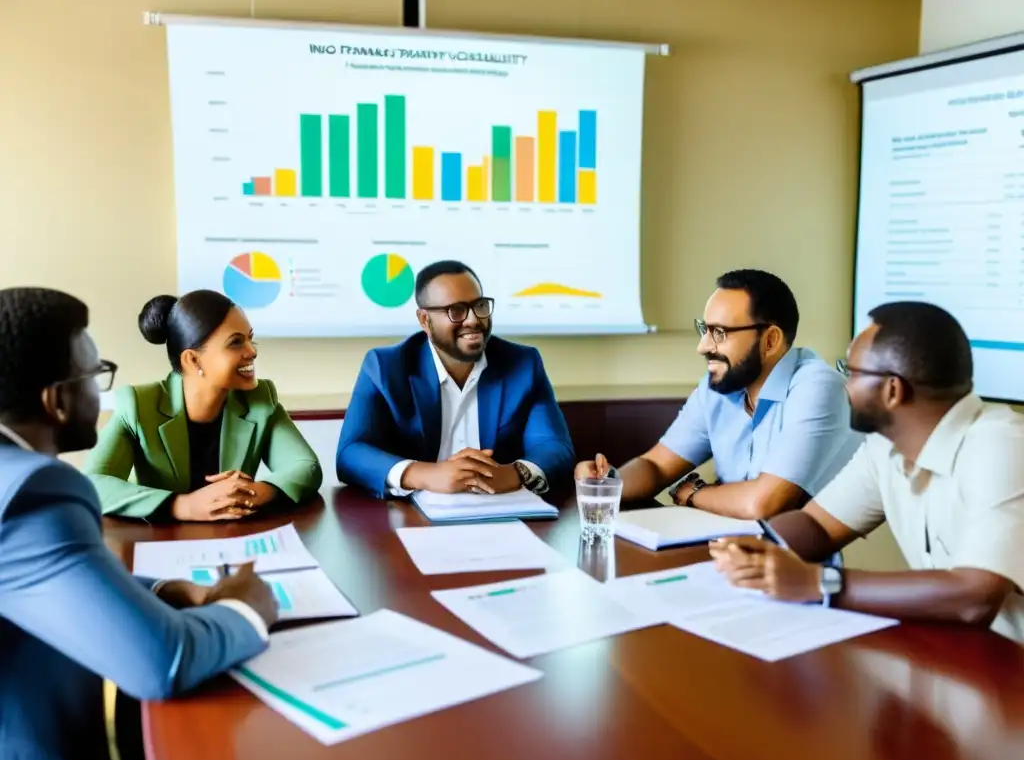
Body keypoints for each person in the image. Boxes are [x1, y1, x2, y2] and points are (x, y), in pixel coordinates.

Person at [0, 287, 279, 760]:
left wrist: (166, 588)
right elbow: (163, 661)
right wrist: (248, 607)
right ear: (57, 401)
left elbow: (46, 576)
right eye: (95, 374)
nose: (100, 389)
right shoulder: (33, 493)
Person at [711, 301, 1024, 642]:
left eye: (854, 373)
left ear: (892, 390)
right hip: (970, 655)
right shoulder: (886, 446)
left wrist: (818, 583)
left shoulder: (1003, 447)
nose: (845, 386)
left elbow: (973, 596)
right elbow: (817, 525)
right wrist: (754, 544)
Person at [576, 269, 862, 519]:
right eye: (705, 329)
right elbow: (656, 466)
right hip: (721, 549)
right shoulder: (718, 386)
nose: (703, 346)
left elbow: (765, 503)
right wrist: (606, 483)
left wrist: (695, 494)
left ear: (771, 340)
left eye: (720, 332)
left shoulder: (818, 387)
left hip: (796, 566)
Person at [336, 260, 574, 497]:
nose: (473, 320)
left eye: (479, 306)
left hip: (500, 510)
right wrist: (427, 475)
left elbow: (554, 446)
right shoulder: (385, 367)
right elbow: (351, 453)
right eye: (456, 311)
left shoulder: (523, 364)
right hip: (413, 518)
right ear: (424, 320)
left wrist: (514, 473)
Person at [85, 290, 323, 521]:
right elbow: (93, 483)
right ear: (193, 359)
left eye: (251, 339)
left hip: (235, 541)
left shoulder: (259, 400)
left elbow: (306, 467)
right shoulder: (139, 405)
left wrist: (251, 493)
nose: (252, 352)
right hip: (163, 545)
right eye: (236, 343)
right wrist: (185, 506)